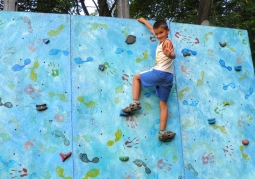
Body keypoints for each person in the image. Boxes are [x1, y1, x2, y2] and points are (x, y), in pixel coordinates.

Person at [122, 18, 176, 142]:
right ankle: (163, 133)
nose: (158, 36)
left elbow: (173, 55)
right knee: (163, 105)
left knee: (136, 78)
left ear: (168, 31)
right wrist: (145, 22)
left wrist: (169, 54)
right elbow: (153, 29)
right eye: (157, 34)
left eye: (161, 33)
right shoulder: (161, 39)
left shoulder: (167, 42)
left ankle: (135, 103)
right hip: (168, 77)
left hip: (159, 73)